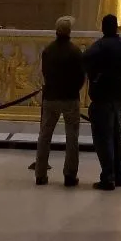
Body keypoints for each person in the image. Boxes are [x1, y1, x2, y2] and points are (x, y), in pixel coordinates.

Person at [84, 15, 121, 190]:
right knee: (116, 136)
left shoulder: (99, 46)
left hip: (104, 96)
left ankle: (108, 177)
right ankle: (120, 175)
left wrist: (94, 79)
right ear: (116, 27)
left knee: (103, 137)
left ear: (103, 28)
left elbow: (84, 61)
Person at [34, 16, 85, 187]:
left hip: (51, 97)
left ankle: (40, 174)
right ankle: (70, 175)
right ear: (69, 32)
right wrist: (73, 89)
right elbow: (80, 77)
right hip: (70, 97)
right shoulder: (75, 51)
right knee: (72, 137)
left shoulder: (48, 50)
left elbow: (45, 72)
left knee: (45, 136)